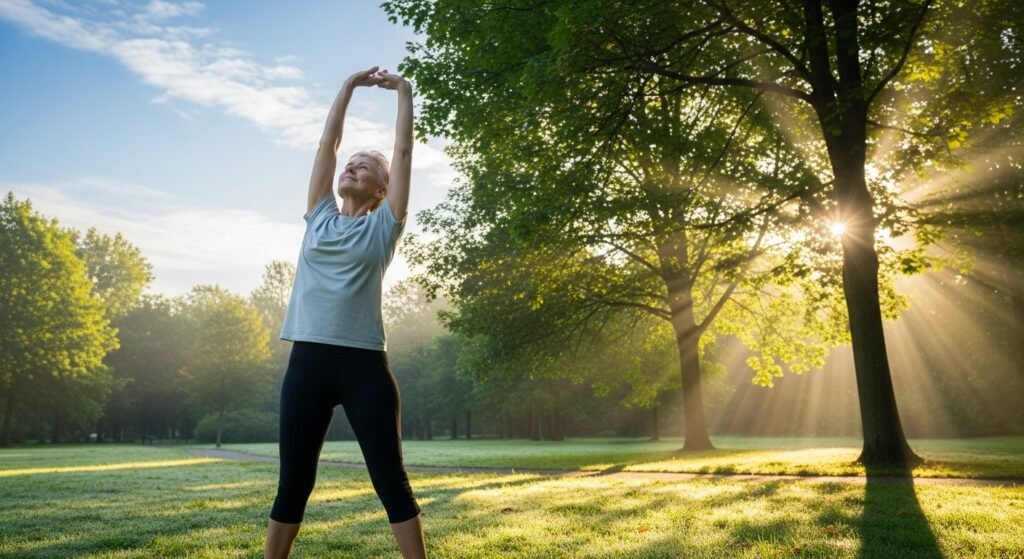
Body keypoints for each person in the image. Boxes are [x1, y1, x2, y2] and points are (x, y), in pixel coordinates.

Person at [263, 66, 426, 559]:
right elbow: (326, 147)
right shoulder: (318, 216)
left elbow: (402, 152)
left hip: (363, 368)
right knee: (294, 481)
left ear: (382, 189)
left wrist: (403, 91)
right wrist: (348, 87)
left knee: (390, 481)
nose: (351, 167)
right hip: (307, 364)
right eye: (350, 164)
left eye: (364, 166)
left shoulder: (384, 227)